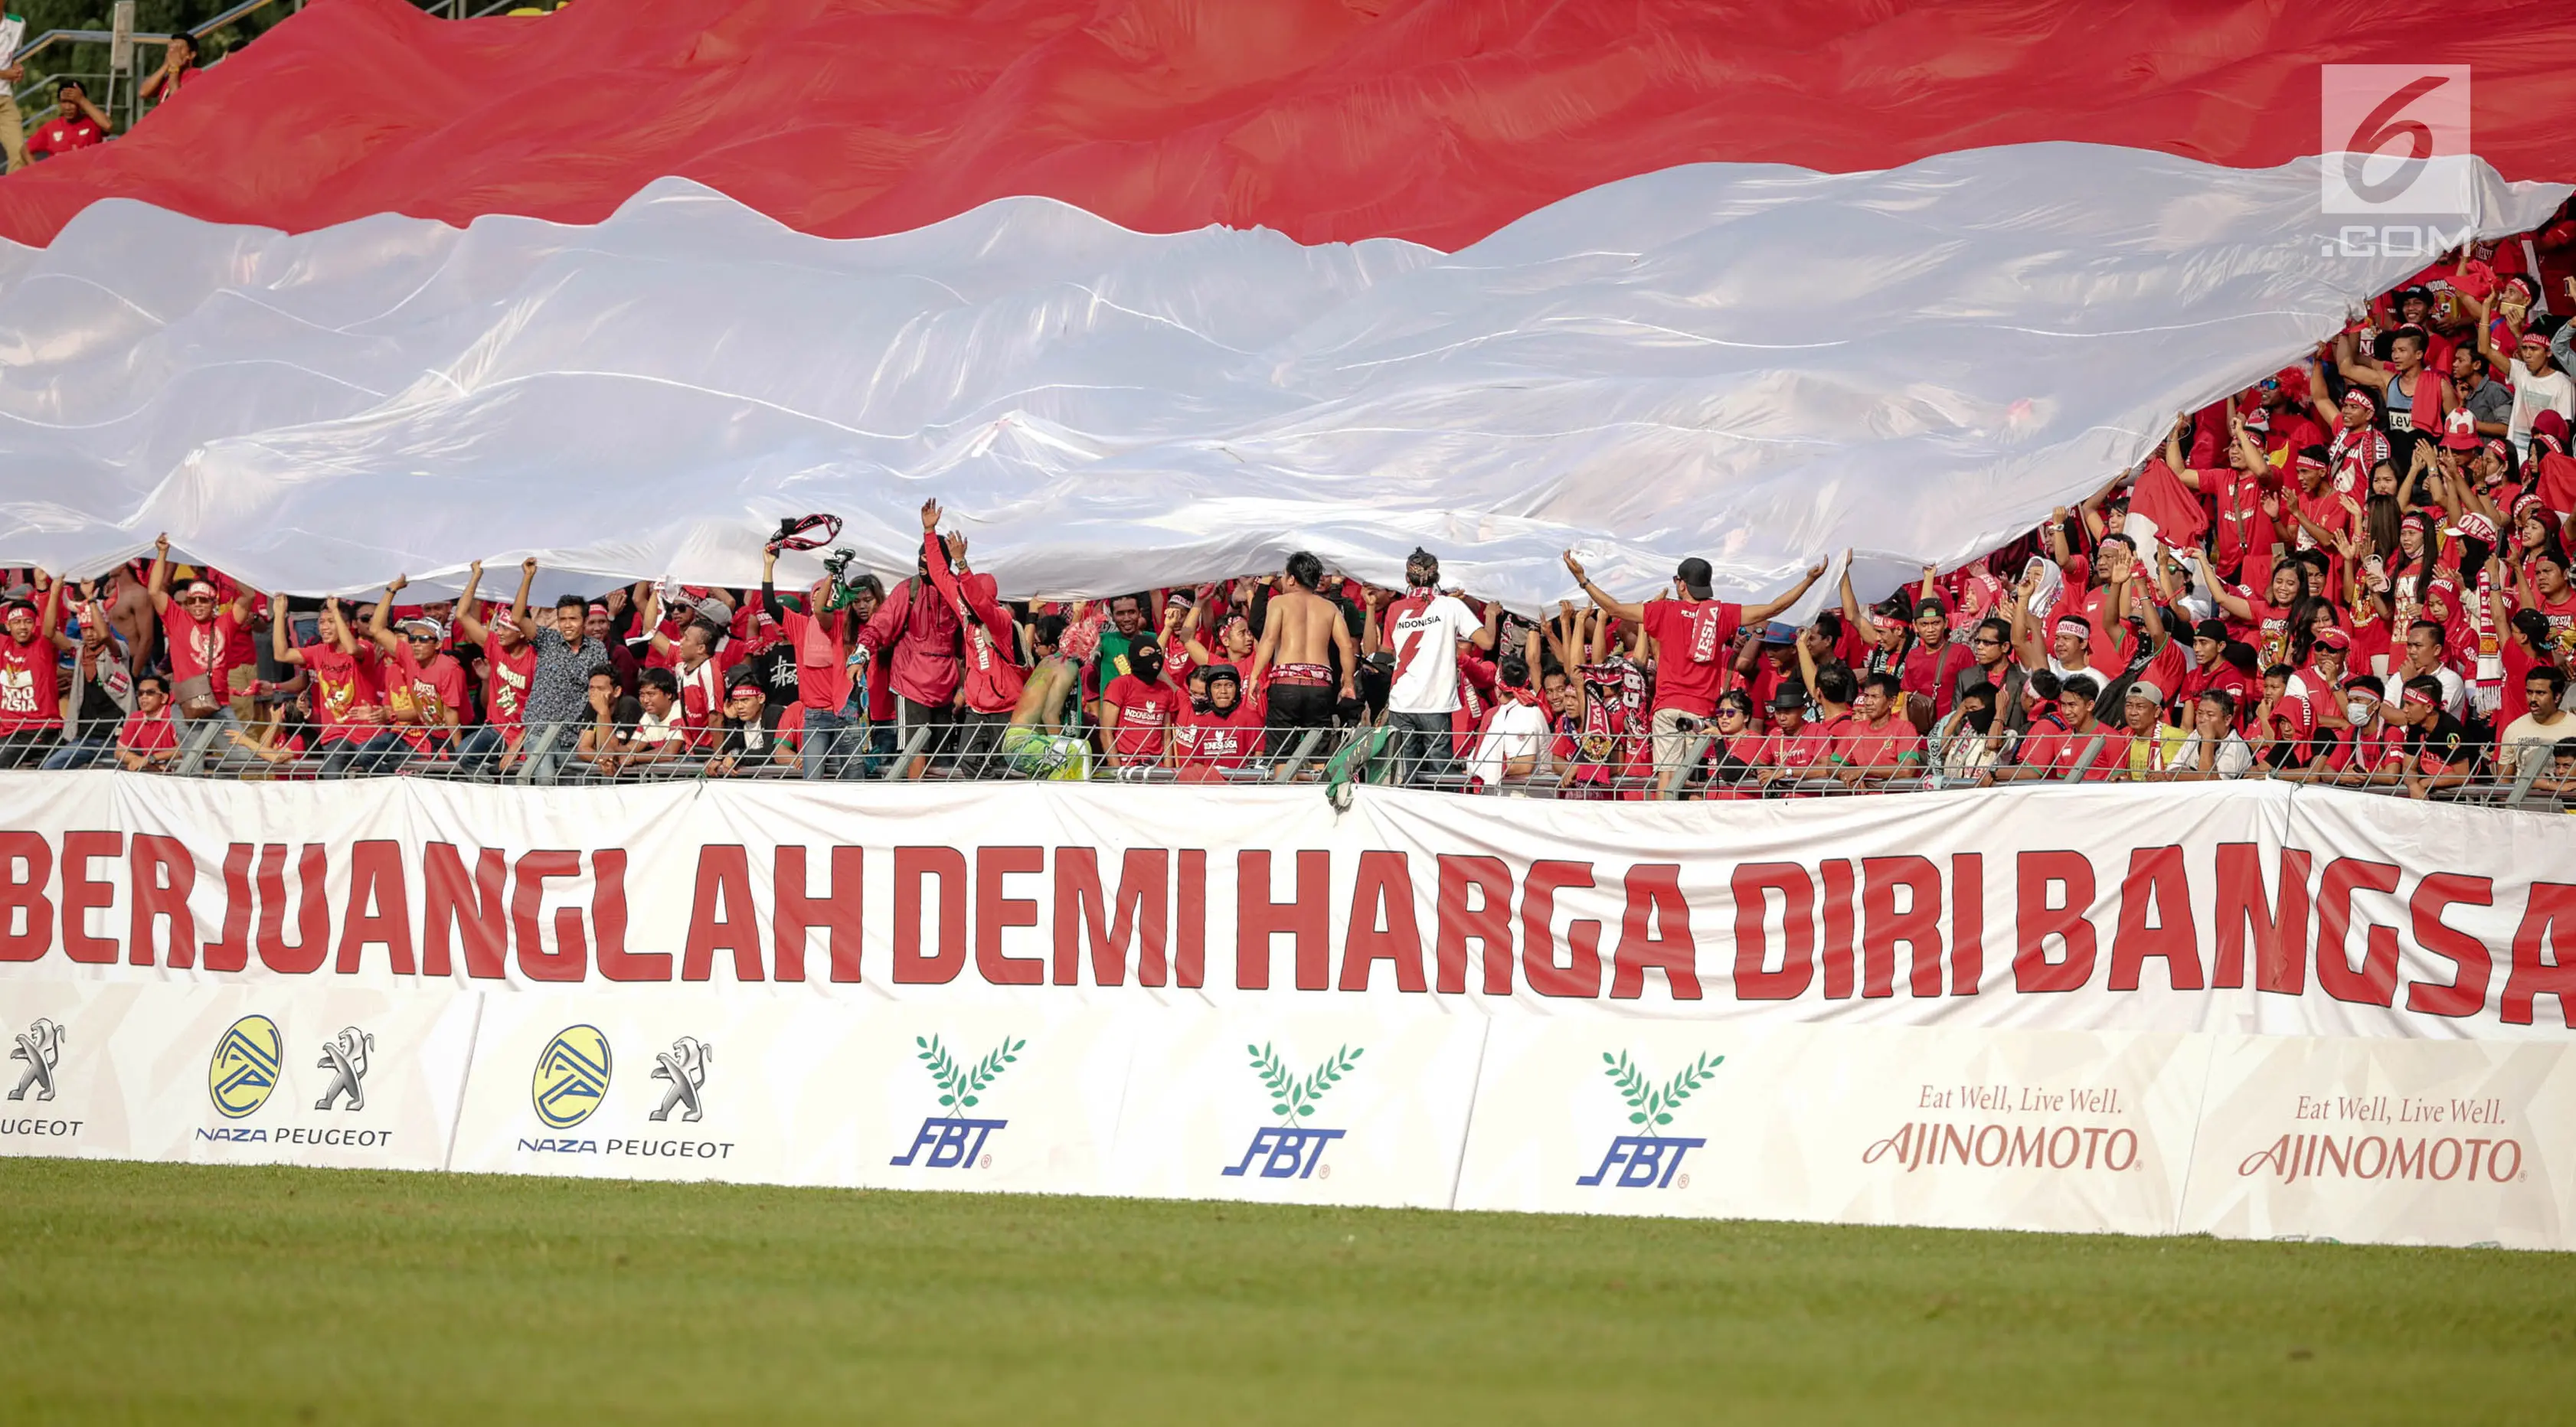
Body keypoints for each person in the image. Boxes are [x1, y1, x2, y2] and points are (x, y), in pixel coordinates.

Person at [1564, 548, 1826, 793]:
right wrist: (1809, 581)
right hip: (1699, 711)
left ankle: (1663, 827)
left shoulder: (1663, 609)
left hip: (1666, 707)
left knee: (1666, 777)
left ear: (1681, 584)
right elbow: (1773, 608)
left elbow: (1614, 608)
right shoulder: (1721, 613)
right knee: (1692, 781)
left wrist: (1583, 579)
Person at [1367, 549, 1496, 785]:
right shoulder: (1451, 606)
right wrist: (1492, 614)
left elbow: (1386, 653)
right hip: (1436, 703)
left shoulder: (1395, 610)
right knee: (1440, 777)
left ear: (1407, 579)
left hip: (1402, 702)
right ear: (1438, 578)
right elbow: (1487, 641)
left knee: (1405, 775)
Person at [760, 540, 865, 780]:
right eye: (818, 593)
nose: (823, 599)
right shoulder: (799, 625)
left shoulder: (841, 625)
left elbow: (823, 611)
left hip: (844, 713)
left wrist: (833, 574)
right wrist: (768, 566)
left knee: (853, 783)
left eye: (828, 595)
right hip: (814, 716)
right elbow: (769, 604)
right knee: (813, 783)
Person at [510, 560, 611, 782]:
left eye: (573, 619)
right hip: (539, 730)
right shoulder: (548, 640)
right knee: (544, 780)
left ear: (584, 621)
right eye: (562, 619)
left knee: (570, 788)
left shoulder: (596, 649)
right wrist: (528, 577)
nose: (567, 625)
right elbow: (517, 617)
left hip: (573, 736)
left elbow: (600, 690)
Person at [1255, 552, 1361, 756]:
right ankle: (1317, 785)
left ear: (1292, 579)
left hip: (1286, 683)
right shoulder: (1330, 607)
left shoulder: (1278, 603)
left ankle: (1284, 787)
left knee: (1281, 756)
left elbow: (1268, 639)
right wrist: (1348, 683)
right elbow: (1347, 646)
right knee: (1318, 751)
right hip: (1320, 686)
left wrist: (1254, 676)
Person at [148, 534, 253, 728]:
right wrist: (162, 553)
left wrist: (227, 564)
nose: (197, 604)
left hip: (221, 705)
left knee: (240, 757)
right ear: (186, 604)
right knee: (193, 758)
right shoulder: (177, 619)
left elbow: (248, 595)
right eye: (192, 600)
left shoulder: (226, 622)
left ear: (214, 603)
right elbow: (155, 591)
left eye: (203, 600)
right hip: (186, 704)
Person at [454, 560, 538, 779]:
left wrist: (527, 576)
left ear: (521, 632)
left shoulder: (536, 658)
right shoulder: (495, 646)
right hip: (497, 730)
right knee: (464, 754)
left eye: (504, 628)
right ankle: (490, 787)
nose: (498, 632)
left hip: (527, 734)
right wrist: (476, 576)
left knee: (524, 779)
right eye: (497, 626)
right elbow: (462, 615)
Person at [367, 578, 467, 759]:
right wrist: (391, 590)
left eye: (424, 640)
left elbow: (452, 713)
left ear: (437, 645)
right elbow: (376, 629)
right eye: (413, 639)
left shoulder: (449, 667)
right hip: (433, 734)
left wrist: (458, 753)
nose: (416, 644)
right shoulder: (408, 655)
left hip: (458, 734)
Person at [42, 589, 134, 770]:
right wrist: (54, 591)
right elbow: (49, 633)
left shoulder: (118, 649)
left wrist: (91, 600)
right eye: (85, 629)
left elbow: (106, 636)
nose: (90, 634)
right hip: (84, 738)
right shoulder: (79, 651)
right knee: (50, 769)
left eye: (93, 628)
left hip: (117, 739)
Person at [999, 616, 1090, 781]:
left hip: (1018, 742)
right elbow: (1049, 715)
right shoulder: (1067, 665)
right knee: (1079, 749)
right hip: (1024, 744)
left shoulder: (1047, 661)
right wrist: (1061, 750)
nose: (1034, 649)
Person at [2008, 674, 2128, 781]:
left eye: (2072, 705)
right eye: (2063, 705)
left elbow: (2119, 780)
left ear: (2090, 705)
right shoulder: (2062, 739)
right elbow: (2063, 783)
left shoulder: (2111, 738)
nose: (2066, 711)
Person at [0, 582, 64, 767]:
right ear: (8, 626)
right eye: (17, 622)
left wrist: (49, 590)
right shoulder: (4, 645)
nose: (22, 627)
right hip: (9, 733)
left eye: (28, 621)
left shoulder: (43, 645)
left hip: (40, 731)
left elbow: (50, 624)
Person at [1461, 655, 1548, 789]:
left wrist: (1481, 767)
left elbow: (1524, 765)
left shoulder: (1526, 713)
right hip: (1508, 794)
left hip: (1528, 797)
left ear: (1498, 688)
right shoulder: (1504, 711)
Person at [708, 675, 793, 776]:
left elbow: (771, 753)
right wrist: (732, 720)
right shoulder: (740, 719)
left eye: (745, 700)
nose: (739, 707)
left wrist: (738, 755)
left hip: (785, 779)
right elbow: (729, 751)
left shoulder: (775, 714)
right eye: (735, 701)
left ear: (761, 698)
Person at [2500, 666, 2574, 779]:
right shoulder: (2514, 729)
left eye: (2541, 693)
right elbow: (2503, 781)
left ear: (2557, 697)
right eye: (2529, 692)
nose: (2533, 699)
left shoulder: (2573, 726)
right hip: (2522, 796)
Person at [25, 80, 111, 162]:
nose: (67, 107)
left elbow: (108, 126)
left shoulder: (93, 123)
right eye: (64, 102)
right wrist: (36, 172)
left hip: (86, 175)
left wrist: (81, 100)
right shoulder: (51, 127)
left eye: (72, 102)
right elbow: (25, 150)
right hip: (58, 176)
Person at [113, 674, 180, 772]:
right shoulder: (136, 717)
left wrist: (149, 759)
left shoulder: (174, 714)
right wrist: (147, 763)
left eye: (150, 693)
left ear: (164, 698)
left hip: (182, 771)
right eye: (140, 693)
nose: (143, 697)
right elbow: (119, 752)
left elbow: (184, 748)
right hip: (155, 772)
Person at [139, 34, 200, 108]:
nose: (174, 53)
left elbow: (175, 101)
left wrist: (174, 68)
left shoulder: (196, 75)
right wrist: (166, 65)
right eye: (171, 49)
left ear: (191, 55)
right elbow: (143, 92)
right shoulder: (168, 77)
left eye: (178, 49)